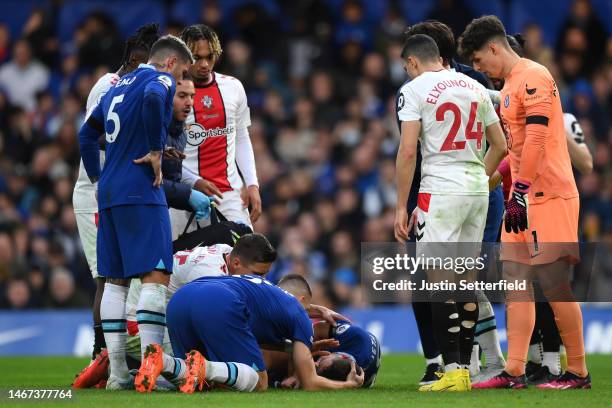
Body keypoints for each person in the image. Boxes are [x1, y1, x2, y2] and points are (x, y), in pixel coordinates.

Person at [458, 15, 590, 390]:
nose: (480, 69)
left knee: (553, 285)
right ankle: (514, 370)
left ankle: (578, 372)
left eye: (480, 61)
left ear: (494, 48)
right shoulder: (513, 82)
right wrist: (495, 175)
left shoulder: (534, 77)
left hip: (547, 197)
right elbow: (517, 147)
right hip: (525, 197)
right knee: (516, 284)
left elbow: (536, 140)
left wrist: (518, 192)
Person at [78, 34, 194, 390]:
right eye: (182, 73)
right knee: (155, 274)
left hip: (110, 191)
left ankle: (117, 374)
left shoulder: (115, 87)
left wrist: (99, 177)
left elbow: (86, 135)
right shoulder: (157, 79)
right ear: (171, 63)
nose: (178, 81)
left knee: (115, 280)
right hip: (142, 187)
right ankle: (151, 369)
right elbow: (153, 96)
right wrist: (157, 149)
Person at [394, 34, 507, 391]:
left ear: (412, 63)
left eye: (406, 68)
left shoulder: (412, 91)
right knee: (466, 283)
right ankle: (464, 372)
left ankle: (455, 371)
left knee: (439, 282)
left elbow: (408, 152)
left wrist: (400, 206)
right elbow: (501, 145)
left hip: (439, 192)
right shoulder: (473, 86)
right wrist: (478, 177)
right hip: (476, 191)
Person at [73, 23, 160, 362]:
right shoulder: (110, 86)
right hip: (98, 190)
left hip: (114, 187)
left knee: (127, 278)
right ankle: (102, 356)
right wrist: (97, 183)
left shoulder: (113, 84)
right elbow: (93, 137)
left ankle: (117, 358)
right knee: (109, 278)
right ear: (140, 60)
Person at [138, 274, 364, 393]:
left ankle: (162, 362)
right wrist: (348, 385)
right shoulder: (300, 316)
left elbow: (257, 338)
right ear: (303, 300)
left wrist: (294, 349)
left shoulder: (265, 293)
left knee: (199, 382)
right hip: (217, 301)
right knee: (259, 382)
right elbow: (310, 383)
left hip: (181, 299)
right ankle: (200, 365)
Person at [168, 24, 260, 238]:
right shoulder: (169, 92)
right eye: (197, 57)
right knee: (181, 267)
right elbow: (165, 151)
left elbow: (241, 138)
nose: (204, 64)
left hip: (228, 195)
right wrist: (194, 181)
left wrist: (252, 184)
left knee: (243, 262)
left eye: (209, 57)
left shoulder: (233, 87)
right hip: (184, 195)